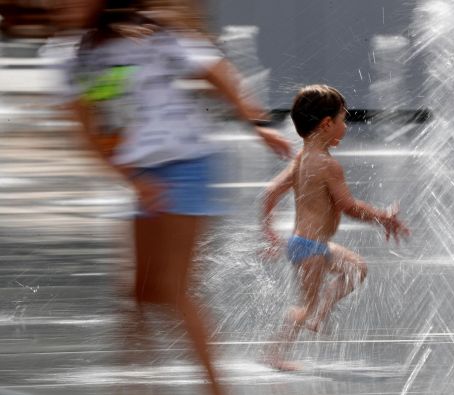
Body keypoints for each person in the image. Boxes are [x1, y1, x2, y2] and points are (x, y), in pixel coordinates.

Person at [59, 1, 291, 394]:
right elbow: (91, 130)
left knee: (172, 288)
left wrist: (256, 123)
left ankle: (216, 389)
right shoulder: (79, 57)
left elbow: (216, 71)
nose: (60, 7)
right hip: (144, 173)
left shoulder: (151, 37)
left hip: (187, 164)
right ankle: (134, 386)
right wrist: (131, 177)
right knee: (140, 292)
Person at [261, 84, 409, 371]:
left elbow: (270, 192)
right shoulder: (328, 165)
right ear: (327, 124)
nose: (346, 127)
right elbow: (349, 206)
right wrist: (383, 216)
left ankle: (320, 312)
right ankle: (275, 353)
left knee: (356, 268)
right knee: (304, 307)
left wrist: (268, 231)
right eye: (343, 120)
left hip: (310, 245)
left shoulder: (301, 159)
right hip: (310, 250)